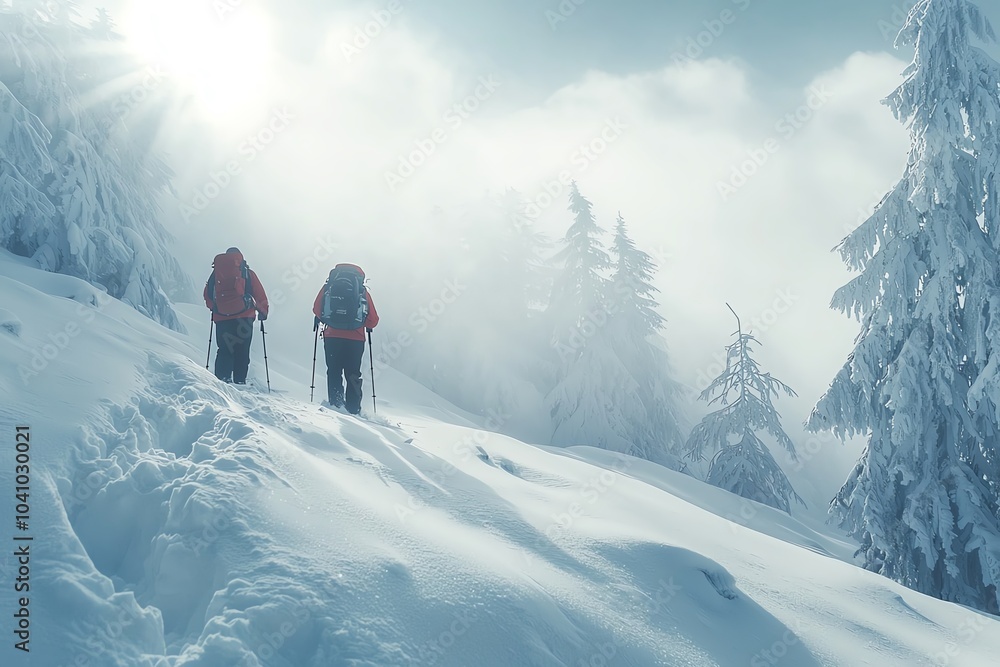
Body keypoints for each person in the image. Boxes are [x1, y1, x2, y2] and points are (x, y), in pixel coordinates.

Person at [313, 263, 379, 414]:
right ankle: (353, 408)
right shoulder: (362, 291)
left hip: (332, 337)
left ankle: (336, 405)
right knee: (353, 373)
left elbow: (317, 309)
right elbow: (373, 320)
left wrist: (329, 320)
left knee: (334, 371)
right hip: (355, 339)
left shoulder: (329, 287)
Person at [204, 247, 269, 384]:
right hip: (244, 318)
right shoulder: (246, 273)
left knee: (224, 349)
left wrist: (215, 308)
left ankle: (222, 381)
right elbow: (259, 293)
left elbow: (208, 294)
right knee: (242, 350)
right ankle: (240, 381)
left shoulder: (216, 274)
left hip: (222, 318)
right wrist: (263, 312)